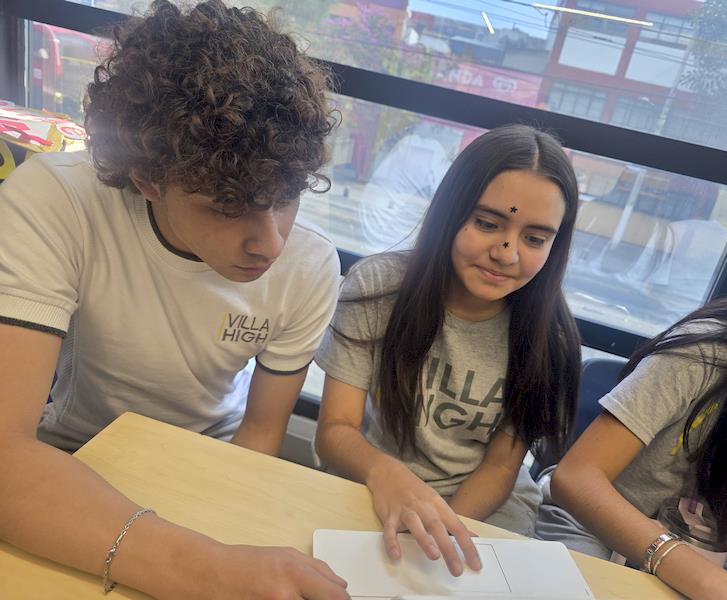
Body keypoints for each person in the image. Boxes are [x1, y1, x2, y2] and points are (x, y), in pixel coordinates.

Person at [0, 1, 350, 597]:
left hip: (212, 459)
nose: (269, 243)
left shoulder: (311, 266)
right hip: (75, 453)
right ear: (147, 179)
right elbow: (6, 450)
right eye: (227, 207)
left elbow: (260, 435)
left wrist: (218, 543)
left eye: (287, 197)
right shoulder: (57, 203)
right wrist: (205, 568)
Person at [314, 124, 582, 577]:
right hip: (373, 478)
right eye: (488, 224)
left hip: (485, 505)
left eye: (535, 239)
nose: (507, 252)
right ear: (450, 212)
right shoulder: (378, 287)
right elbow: (335, 429)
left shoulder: (549, 339)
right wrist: (388, 476)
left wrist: (441, 528)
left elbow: (501, 467)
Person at [536, 263, 727, 599]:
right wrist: (701, 578)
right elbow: (575, 478)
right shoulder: (707, 353)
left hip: (702, 562)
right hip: (591, 527)